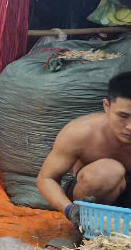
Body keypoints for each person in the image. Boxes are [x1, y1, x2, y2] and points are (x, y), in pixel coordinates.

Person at [37, 74, 131, 229]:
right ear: (106, 106)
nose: (129, 127)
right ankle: (85, 231)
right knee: (107, 172)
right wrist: (70, 210)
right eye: (123, 116)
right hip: (93, 199)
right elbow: (46, 179)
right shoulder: (81, 132)